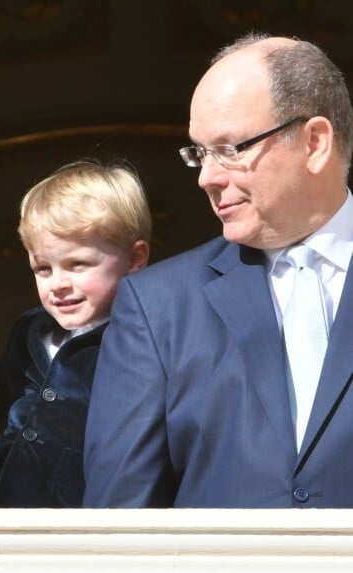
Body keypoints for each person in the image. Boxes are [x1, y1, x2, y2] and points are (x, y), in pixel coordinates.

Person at [83, 33, 353, 508]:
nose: (207, 177)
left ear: (314, 143)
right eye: (199, 153)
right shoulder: (159, 308)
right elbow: (118, 522)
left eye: (231, 148)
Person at [0, 160, 151, 506]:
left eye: (78, 264)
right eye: (43, 268)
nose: (58, 284)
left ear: (135, 258)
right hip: (9, 512)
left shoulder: (144, 340)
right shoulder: (31, 331)